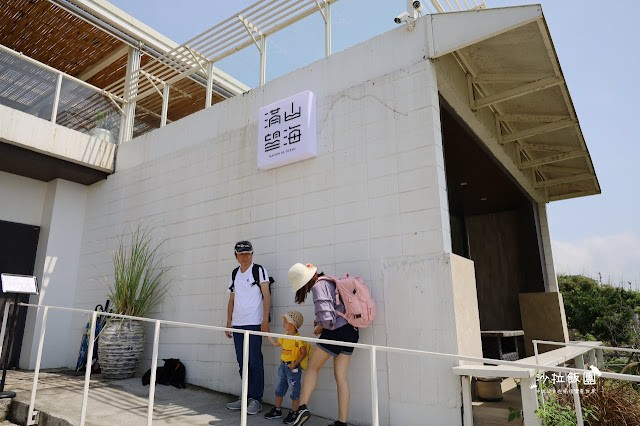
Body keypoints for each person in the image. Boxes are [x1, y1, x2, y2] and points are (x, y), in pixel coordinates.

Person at [287, 263, 359, 426]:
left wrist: (320, 326)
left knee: (312, 368)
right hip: (351, 331)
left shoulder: (318, 287)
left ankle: (302, 409)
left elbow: (328, 320)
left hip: (336, 332)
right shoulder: (328, 281)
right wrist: (321, 321)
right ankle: (342, 422)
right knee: (341, 377)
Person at [225, 240, 271, 415]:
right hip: (238, 324)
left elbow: (266, 295)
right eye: (241, 254)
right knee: (242, 363)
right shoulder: (234, 273)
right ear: (236, 256)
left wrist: (264, 320)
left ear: (252, 254)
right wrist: (229, 322)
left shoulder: (259, 270)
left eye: (248, 253)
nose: (245, 257)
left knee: (255, 362)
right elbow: (231, 299)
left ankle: (256, 400)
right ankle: (246, 396)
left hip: (254, 323)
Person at [264, 310, 309, 424]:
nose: (283, 323)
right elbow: (275, 344)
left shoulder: (298, 339)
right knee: (279, 389)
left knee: (294, 391)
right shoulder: (284, 336)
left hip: (293, 369)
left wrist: (295, 363)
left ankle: (294, 413)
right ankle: (277, 410)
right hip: (283, 367)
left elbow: (303, 353)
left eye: (285, 321)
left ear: (293, 325)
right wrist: (267, 334)